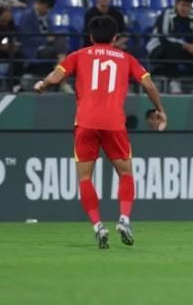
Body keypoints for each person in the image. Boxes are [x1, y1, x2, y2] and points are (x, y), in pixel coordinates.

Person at [33, 16, 167, 249]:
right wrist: (160, 110)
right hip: (114, 123)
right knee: (125, 173)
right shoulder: (126, 58)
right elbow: (149, 85)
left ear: (91, 36)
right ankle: (124, 219)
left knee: (85, 178)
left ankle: (98, 226)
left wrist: (43, 84)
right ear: (115, 38)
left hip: (86, 122)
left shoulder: (78, 55)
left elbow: (57, 76)